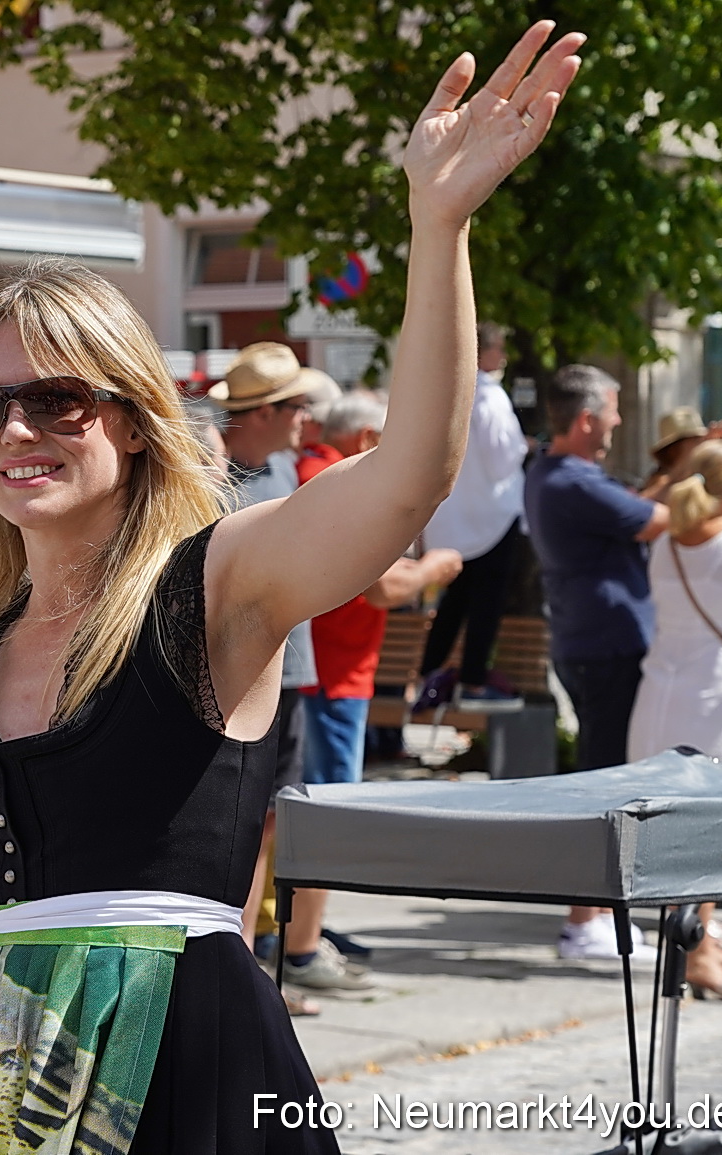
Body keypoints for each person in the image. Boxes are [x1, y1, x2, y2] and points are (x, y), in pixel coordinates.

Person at [0, 25, 584, 1154]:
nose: (14, 431)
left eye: (57, 401)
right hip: (4, 1057)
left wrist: (436, 226)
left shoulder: (215, 580)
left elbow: (406, 482)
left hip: (181, 1053)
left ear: (136, 421)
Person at [286, 391, 464, 992]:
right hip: (330, 677)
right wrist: (437, 568)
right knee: (324, 815)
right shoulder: (337, 480)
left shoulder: (313, 470)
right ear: (365, 440)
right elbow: (385, 586)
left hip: (328, 673)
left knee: (303, 813)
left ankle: (300, 934)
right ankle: (301, 948)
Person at [523, 364, 672, 960]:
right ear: (585, 420)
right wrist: (700, 469)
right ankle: (586, 921)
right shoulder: (572, 481)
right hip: (606, 648)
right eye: (611, 410)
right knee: (606, 785)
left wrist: (671, 474)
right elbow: (658, 521)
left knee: (605, 777)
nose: (617, 419)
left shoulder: (554, 473)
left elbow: (633, 509)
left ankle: (593, 915)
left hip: (590, 645)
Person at [626, 440, 722, 1001]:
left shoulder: (666, 546)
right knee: (708, 830)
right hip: (715, 700)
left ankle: (686, 946)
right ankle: (699, 955)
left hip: (660, 691)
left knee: (666, 829)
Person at [209, 342, 321, 1008]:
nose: (305, 416)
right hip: (247, 675)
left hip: (293, 670)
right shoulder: (214, 478)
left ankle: (252, 966)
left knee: (274, 822)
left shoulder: (280, 465)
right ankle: (243, 972)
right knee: (243, 825)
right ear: (260, 414)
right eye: (295, 405)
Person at [418, 321, 530, 710]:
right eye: (499, 349)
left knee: (456, 599)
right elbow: (503, 459)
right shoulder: (489, 396)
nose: (503, 357)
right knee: (486, 601)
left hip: (450, 516)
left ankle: (427, 675)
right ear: (484, 352)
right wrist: (524, 448)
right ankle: (473, 681)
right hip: (490, 515)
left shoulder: (438, 390)